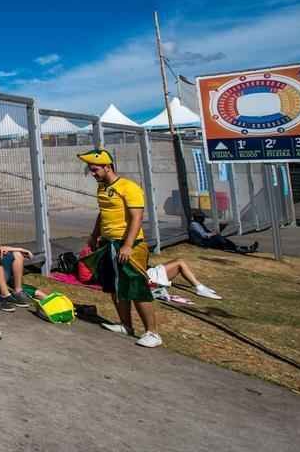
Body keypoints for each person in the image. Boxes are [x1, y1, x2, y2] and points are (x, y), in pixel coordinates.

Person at [77, 148, 162, 348]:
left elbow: (137, 217)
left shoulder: (128, 187)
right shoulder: (102, 187)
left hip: (128, 245)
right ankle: (126, 325)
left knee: (135, 286)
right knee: (115, 286)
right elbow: (103, 213)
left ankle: (153, 332)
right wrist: (94, 235)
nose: (92, 173)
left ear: (108, 167)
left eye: (95, 169)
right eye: (90, 169)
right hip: (108, 243)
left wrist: (128, 245)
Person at [147, 257, 222, 301]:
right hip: (146, 276)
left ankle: (200, 286)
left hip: (148, 272)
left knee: (179, 260)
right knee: (180, 263)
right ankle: (200, 288)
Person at [189, 211, 258, 254]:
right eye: (202, 218)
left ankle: (242, 248)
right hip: (203, 243)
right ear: (198, 218)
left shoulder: (199, 223)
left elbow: (207, 233)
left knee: (221, 239)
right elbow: (204, 235)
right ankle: (238, 248)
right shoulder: (194, 224)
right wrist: (213, 234)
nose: (203, 219)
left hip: (206, 240)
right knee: (219, 238)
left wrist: (219, 229)